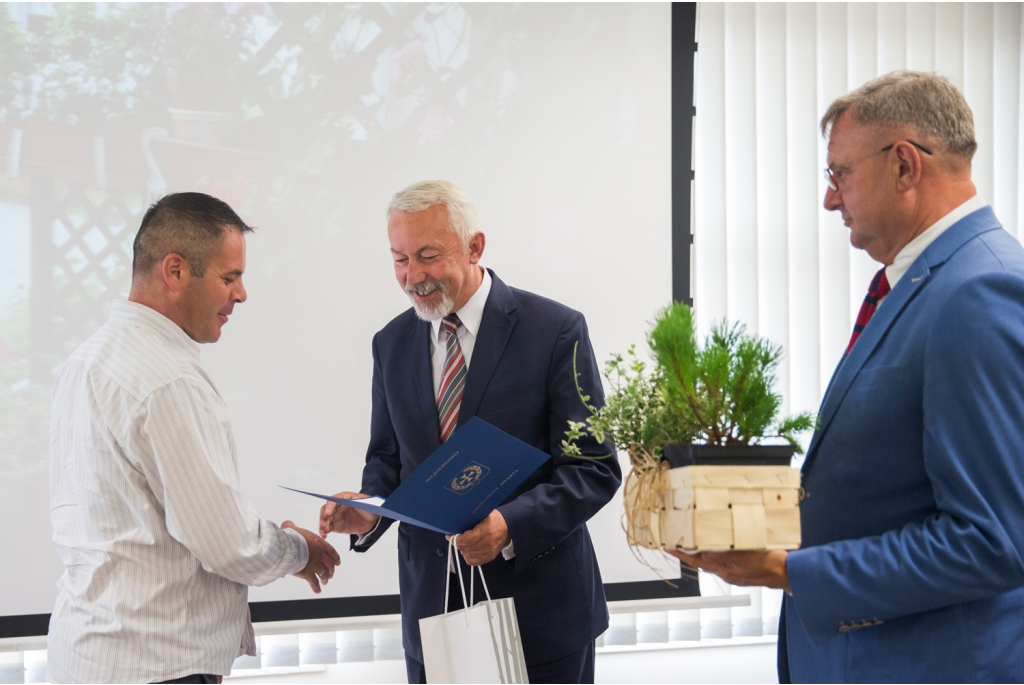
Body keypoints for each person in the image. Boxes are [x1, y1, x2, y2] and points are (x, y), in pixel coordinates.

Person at [668, 71, 1024, 682]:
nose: (831, 198)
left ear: (905, 166)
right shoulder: (924, 283)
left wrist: (784, 569)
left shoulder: (979, 292)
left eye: (839, 174)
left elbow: (991, 543)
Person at [318, 180, 621, 684]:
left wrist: (510, 527)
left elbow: (593, 469)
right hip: (433, 621)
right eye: (399, 259)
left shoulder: (555, 330)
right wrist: (367, 508)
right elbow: (389, 462)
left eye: (428, 256)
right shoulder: (389, 344)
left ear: (475, 247)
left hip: (541, 620)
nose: (412, 276)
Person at [47, 192, 341, 684]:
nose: (242, 294)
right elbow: (227, 544)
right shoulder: (167, 380)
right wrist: (299, 550)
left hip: (85, 658)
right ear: (176, 271)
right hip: (156, 668)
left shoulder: (85, 360)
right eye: (230, 278)